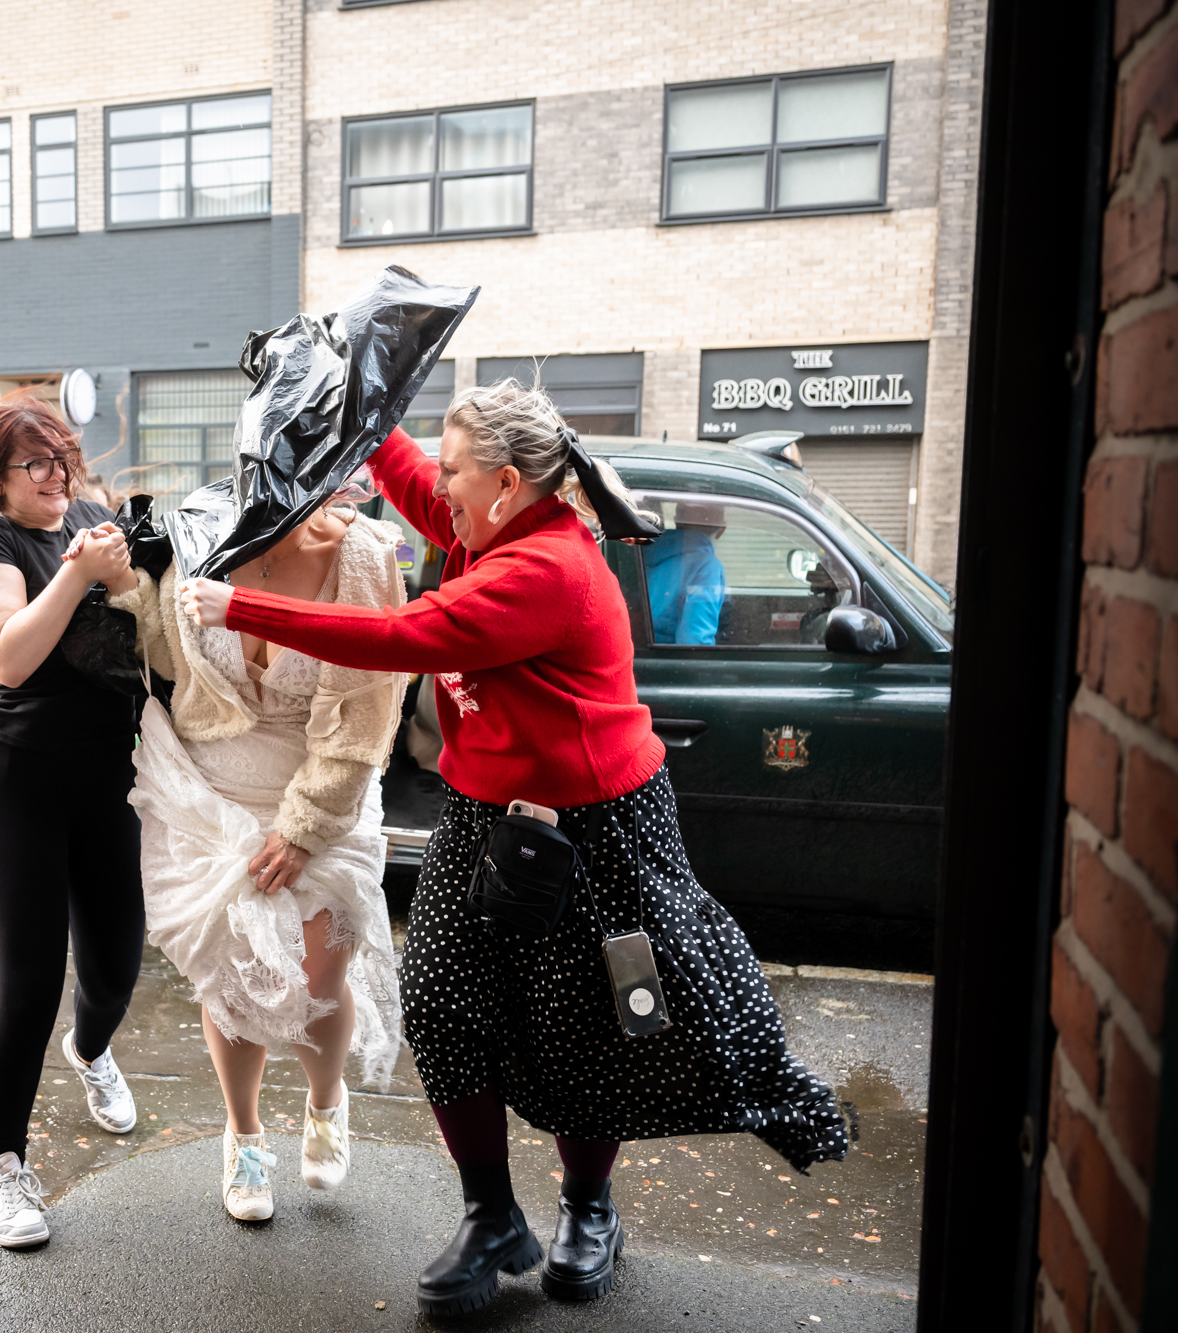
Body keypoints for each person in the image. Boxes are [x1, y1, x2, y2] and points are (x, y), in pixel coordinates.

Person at [179, 380, 847, 1314]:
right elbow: (409, 473)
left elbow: (406, 634)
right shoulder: (484, 526)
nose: (437, 492)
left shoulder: (545, 572)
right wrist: (356, 409)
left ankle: (587, 1207)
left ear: (504, 483)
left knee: (589, 1024)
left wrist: (239, 608)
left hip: (596, 825)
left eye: (456, 474)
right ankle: (491, 1214)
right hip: (484, 810)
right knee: (445, 1004)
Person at [103, 497, 407, 1222]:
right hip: (216, 789)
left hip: (326, 785)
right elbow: (170, 652)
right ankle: (243, 1136)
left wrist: (308, 824)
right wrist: (128, 587)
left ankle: (327, 1100)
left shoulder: (365, 554)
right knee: (229, 979)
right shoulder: (202, 530)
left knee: (319, 978)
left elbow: (373, 705)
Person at [0, 394, 147, 1250]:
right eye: (38, 464)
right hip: (16, 785)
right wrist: (78, 571)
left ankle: (92, 1049)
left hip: (110, 782)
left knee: (115, 970)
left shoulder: (96, 517)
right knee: (28, 982)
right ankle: (3, 1167)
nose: (60, 476)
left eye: (65, 458)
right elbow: (10, 655)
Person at [643, 502, 727, 645]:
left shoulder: (642, 551)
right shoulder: (707, 566)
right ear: (721, 529)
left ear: (676, 520)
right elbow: (694, 641)